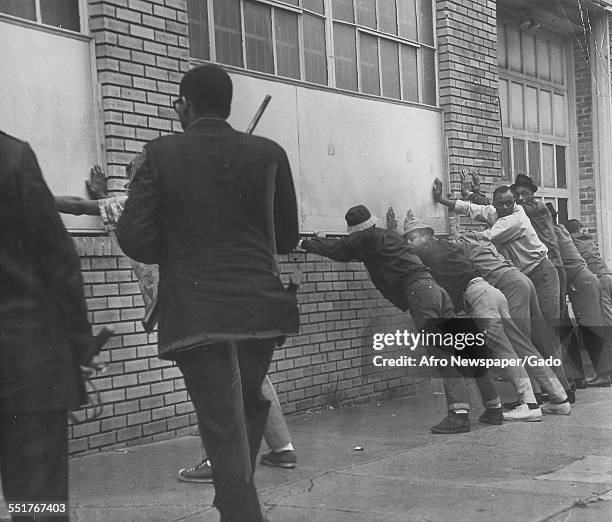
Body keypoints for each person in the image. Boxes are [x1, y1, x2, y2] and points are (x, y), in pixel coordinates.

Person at [115, 64, 299, 521]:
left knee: (223, 416)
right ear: (228, 104)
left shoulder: (160, 154)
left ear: (185, 104)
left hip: (198, 312)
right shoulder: (269, 152)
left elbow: (134, 236)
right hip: (261, 309)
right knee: (246, 404)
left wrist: (178, 248)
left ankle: (240, 509)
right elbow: (288, 236)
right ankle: (232, 493)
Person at [56, 167, 298, 483]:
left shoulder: (142, 203)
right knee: (252, 376)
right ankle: (283, 450)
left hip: (190, 307)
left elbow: (77, 204)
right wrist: (104, 196)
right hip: (231, 300)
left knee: (211, 382)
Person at [300, 205, 504, 435]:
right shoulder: (387, 237)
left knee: (442, 353)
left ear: (355, 230)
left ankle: (458, 415)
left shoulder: (367, 238)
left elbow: (341, 249)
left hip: (420, 294)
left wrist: (305, 243)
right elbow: (351, 249)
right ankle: (494, 407)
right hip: (436, 290)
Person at [0, 131, 94, 520]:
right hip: (26, 362)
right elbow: (58, 260)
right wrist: (81, 349)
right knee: (37, 499)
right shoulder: (11, 156)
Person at [403, 222, 571, 421]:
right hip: (492, 293)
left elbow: (411, 258)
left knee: (503, 350)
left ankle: (530, 404)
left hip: (479, 299)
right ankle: (560, 399)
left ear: (426, 236)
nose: (409, 242)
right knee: (524, 348)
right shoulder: (448, 246)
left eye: (413, 238)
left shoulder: (429, 249)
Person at [547, 205, 612, 388]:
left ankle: (604, 375)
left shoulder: (554, 233)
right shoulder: (561, 230)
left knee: (591, 328)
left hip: (582, 283)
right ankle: (605, 373)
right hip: (589, 281)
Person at [564, 219, 612, 325]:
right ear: (580, 229)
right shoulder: (588, 239)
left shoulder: (572, 242)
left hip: (599, 279)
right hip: (608, 275)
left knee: (606, 319)